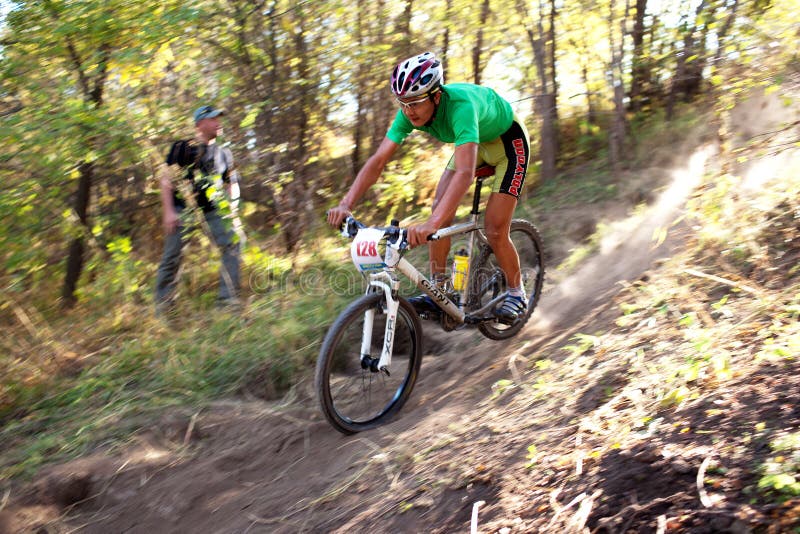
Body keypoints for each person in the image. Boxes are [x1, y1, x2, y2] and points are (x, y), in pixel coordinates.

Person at [327, 52, 532, 325]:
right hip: (475, 144)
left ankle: (517, 291)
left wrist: (432, 224)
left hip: (508, 144)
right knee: (440, 209)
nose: (408, 110)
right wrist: (346, 203)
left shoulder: (461, 106)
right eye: (403, 103)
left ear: (436, 96)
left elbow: (464, 172)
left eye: (415, 102)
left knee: (494, 228)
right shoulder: (407, 114)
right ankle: (441, 292)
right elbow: (378, 161)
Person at [155, 105, 242, 314]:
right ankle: (165, 310)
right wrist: (168, 211)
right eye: (213, 119)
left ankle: (227, 303)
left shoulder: (224, 153)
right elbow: (166, 180)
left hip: (213, 211)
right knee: (171, 258)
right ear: (199, 123)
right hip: (183, 210)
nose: (218, 122)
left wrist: (233, 208)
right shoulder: (183, 147)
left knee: (233, 243)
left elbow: (232, 184)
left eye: (219, 118)